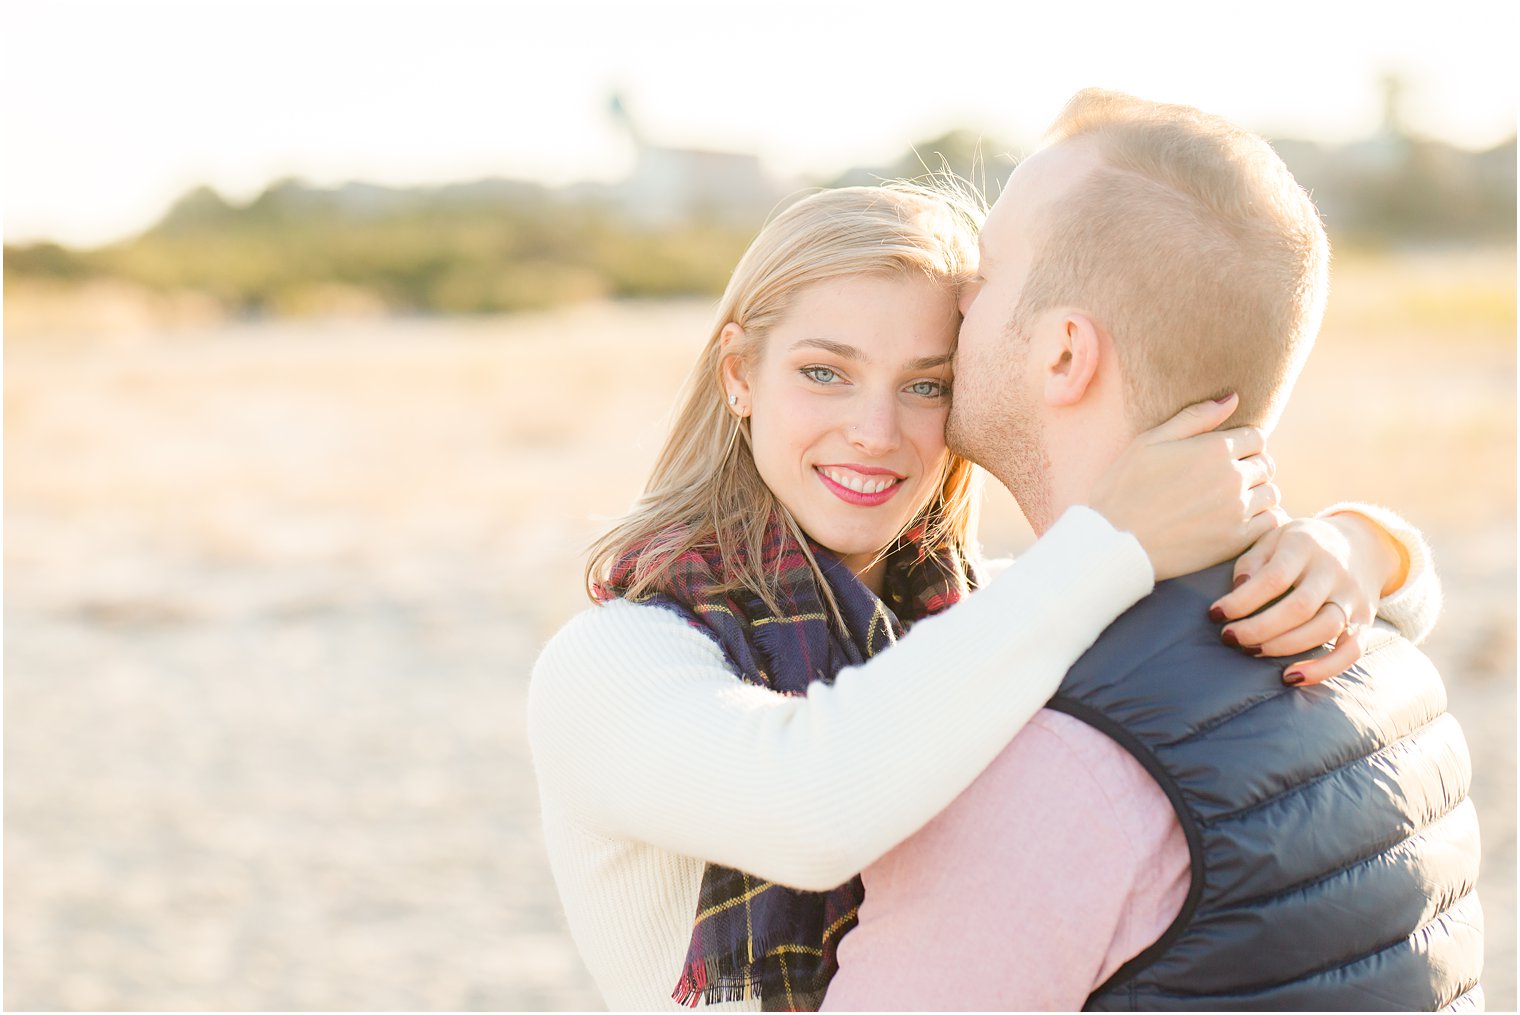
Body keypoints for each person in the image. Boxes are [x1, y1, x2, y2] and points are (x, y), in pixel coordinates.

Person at [527, 182, 1440, 1012]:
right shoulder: (616, 659)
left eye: (927, 384)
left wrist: (1358, 543)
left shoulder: (981, 621)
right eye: (824, 372)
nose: (875, 430)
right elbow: (810, 805)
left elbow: (1408, 605)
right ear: (739, 375)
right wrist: (1109, 541)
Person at [822, 90, 1482, 1012]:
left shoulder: (1043, 767)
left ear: (1064, 354)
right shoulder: (1383, 661)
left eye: (989, 271)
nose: (959, 298)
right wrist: (1370, 542)